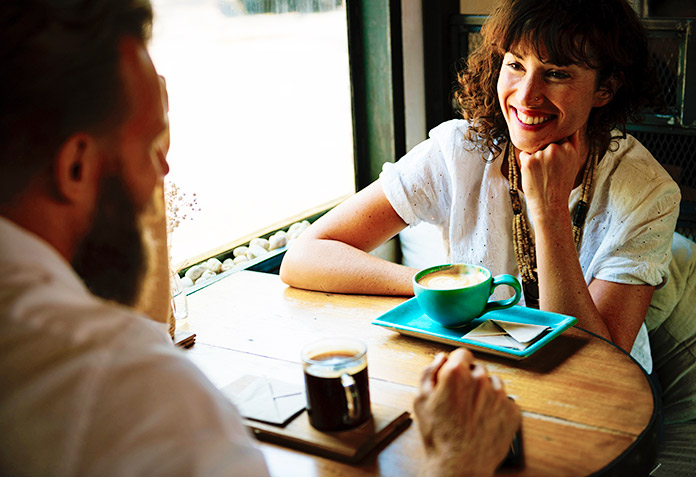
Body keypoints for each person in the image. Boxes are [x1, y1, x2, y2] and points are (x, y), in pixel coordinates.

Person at [0, 0, 520, 475]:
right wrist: (457, 460)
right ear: (75, 167)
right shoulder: (135, 393)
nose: (165, 171)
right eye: (152, 145)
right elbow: (301, 256)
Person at [280, 0, 681, 373]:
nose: (526, 96)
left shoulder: (648, 192)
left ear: (605, 89)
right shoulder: (460, 150)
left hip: (607, 397)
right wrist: (443, 292)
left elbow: (597, 364)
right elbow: (303, 257)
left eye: (557, 73)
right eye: (516, 64)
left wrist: (550, 212)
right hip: (481, 370)